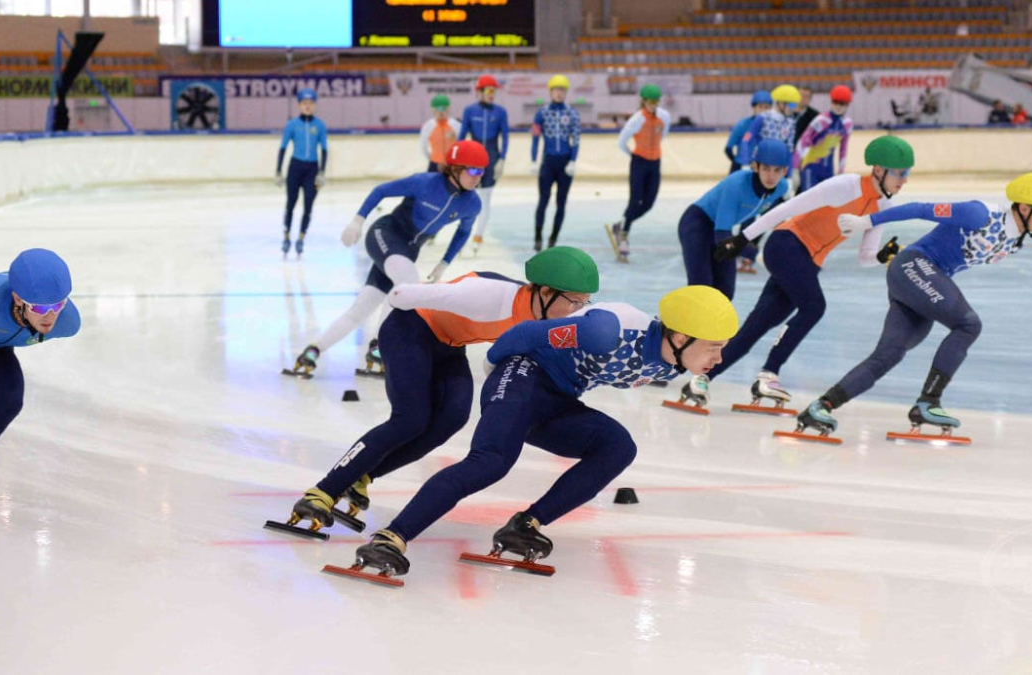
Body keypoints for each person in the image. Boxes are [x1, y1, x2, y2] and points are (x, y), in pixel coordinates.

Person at [346, 285, 739, 579]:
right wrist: (495, 366)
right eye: (713, 347)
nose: (719, 359)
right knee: (491, 462)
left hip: (558, 399)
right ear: (681, 336)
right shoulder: (611, 329)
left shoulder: (672, 362)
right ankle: (392, 537)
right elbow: (528, 334)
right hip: (522, 377)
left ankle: (525, 525)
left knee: (617, 446)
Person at [273, 247, 601, 536]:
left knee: (452, 418)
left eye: (584, 303)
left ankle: (361, 476)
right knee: (410, 419)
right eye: (574, 301)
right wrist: (377, 342)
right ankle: (322, 491)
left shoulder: (547, 314)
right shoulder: (486, 295)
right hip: (408, 328)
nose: (577, 310)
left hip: (449, 345)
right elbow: (400, 294)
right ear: (545, 292)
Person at [793, 173, 1032, 440]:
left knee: (889, 354)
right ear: (1025, 208)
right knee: (968, 324)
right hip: (914, 265)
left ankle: (821, 407)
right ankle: (928, 402)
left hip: (922, 281)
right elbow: (920, 209)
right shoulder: (979, 214)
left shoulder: (1015, 241)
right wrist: (867, 221)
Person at [692, 135, 915, 411]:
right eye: (900, 173)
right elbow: (789, 207)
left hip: (809, 261)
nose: (904, 180)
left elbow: (865, 258)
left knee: (758, 324)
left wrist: (883, 257)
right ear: (879, 170)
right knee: (814, 306)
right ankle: (769, 374)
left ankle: (702, 378)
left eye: (907, 174)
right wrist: (743, 238)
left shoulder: (884, 207)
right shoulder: (845, 186)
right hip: (786, 244)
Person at [285, 140, 489, 378]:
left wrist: (444, 263)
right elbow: (381, 190)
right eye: (473, 170)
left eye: (482, 171)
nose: (478, 177)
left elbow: (463, 232)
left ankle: (313, 350)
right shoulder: (425, 183)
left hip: (407, 251)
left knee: (362, 308)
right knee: (408, 279)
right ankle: (378, 347)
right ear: (455, 168)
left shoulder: (472, 204)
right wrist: (358, 220)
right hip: (385, 234)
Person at [0, 249, 81, 473]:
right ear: (17, 299)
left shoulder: (68, 323)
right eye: (41, 308)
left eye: (58, 305)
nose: (50, 316)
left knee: (8, 402)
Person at [678, 138, 790, 300]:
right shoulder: (736, 184)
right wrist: (750, 250)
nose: (771, 176)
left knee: (725, 292)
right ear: (755, 166)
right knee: (701, 286)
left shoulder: (781, 187)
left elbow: (773, 217)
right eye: (766, 168)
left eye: (777, 170)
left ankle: (714, 325)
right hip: (697, 224)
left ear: (785, 171)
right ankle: (683, 324)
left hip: (723, 232)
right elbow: (722, 237)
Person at [607, 84, 671, 263]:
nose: (652, 105)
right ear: (643, 101)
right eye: (649, 102)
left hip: (655, 162)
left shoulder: (664, 116)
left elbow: (663, 134)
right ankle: (624, 237)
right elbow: (621, 141)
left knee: (649, 203)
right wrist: (634, 156)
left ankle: (621, 225)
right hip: (639, 162)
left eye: (655, 102)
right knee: (635, 200)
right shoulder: (636, 119)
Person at [275, 88, 328, 258]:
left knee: (308, 206)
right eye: (304, 103)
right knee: (290, 203)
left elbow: (324, 150)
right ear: (299, 105)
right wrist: (278, 170)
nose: (307, 106)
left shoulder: (320, 125)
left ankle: (300, 239)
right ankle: (286, 237)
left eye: (311, 103)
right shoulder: (291, 125)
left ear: (315, 105)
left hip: (312, 169)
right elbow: (283, 148)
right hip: (295, 167)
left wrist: (322, 172)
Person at [460, 75, 510, 255]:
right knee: (468, 197)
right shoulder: (469, 111)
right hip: (472, 160)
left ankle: (478, 235)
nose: (492, 94)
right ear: (479, 92)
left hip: (491, 160)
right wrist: (458, 159)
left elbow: (505, 137)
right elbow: (461, 137)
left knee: (485, 199)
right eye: (489, 91)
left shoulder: (501, 112)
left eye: (494, 91)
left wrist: (502, 159)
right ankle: (464, 234)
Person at [532, 75, 581, 251]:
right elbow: (535, 138)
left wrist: (573, 161)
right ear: (550, 91)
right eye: (556, 90)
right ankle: (538, 236)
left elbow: (575, 139)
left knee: (561, 202)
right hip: (548, 163)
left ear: (566, 92)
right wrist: (533, 160)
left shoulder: (572, 113)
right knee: (543, 201)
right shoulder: (542, 113)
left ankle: (553, 239)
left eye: (562, 90)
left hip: (565, 164)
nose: (559, 93)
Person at [737, 84, 801, 190]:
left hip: (778, 170)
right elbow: (746, 140)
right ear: (780, 103)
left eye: (795, 105)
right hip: (761, 167)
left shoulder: (790, 122)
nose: (793, 109)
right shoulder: (763, 118)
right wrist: (745, 163)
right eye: (792, 105)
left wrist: (790, 175)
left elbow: (789, 151)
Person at [793, 85, 854, 193]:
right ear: (831, 102)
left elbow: (843, 150)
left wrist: (841, 172)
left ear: (847, 104)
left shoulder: (847, 124)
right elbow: (802, 142)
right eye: (835, 102)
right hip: (810, 167)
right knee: (809, 201)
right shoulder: (821, 120)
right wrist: (795, 168)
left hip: (828, 170)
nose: (838, 106)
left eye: (842, 103)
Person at [725, 90, 771, 174]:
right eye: (760, 107)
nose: (763, 110)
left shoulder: (773, 127)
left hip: (764, 167)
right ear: (753, 108)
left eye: (766, 107)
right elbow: (728, 149)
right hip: (742, 166)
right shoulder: (742, 125)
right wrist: (739, 161)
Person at [419, 95, 462, 172]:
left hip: (452, 163)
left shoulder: (456, 125)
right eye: (438, 108)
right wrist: (433, 158)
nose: (441, 111)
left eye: (444, 108)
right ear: (433, 110)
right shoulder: (428, 126)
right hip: (435, 163)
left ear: (449, 109)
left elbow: (461, 145)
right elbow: (423, 147)